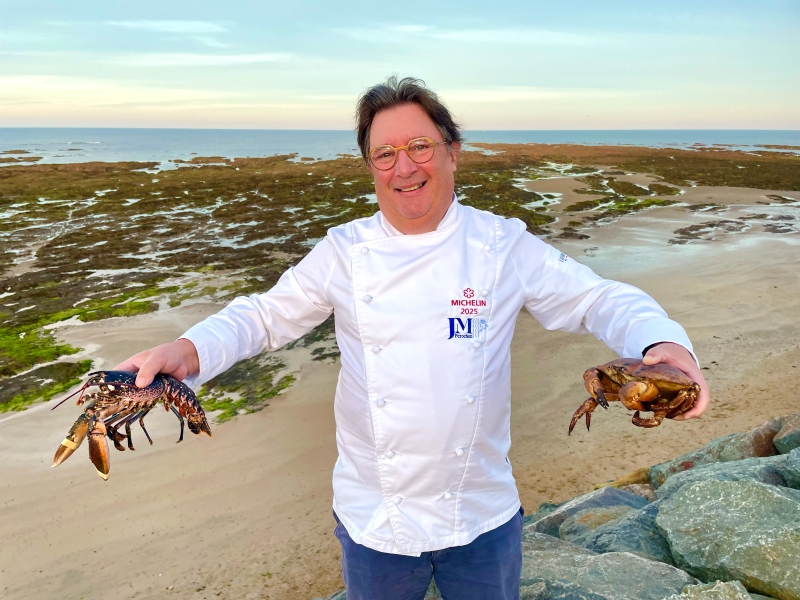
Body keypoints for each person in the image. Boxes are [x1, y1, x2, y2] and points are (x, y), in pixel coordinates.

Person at [116, 76, 709, 600]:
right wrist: (187, 351)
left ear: (453, 150)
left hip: (481, 517)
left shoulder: (502, 245)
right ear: (370, 166)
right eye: (385, 153)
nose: (404, 168)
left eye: (420, 146)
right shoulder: (344, 251)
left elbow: (598, 298)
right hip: (375, 523)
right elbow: (264, 316)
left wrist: (665, 346)